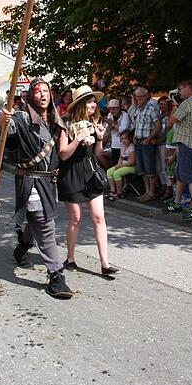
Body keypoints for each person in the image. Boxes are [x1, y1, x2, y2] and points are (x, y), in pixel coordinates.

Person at [0, 79, 74, 298]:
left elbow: (64, 153)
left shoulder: (57, 121)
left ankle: (21, 248)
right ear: (31, 96)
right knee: (44, 223)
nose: (43, 95)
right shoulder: (20, 118)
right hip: (30, 181)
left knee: (37, 220)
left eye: (46, 91)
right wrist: (3, 120)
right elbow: (2, 138)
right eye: (38, 91)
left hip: (50, 181)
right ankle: (56, 275)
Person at [56, 85, 120, 276]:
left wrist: (99, 138)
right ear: (81, 104)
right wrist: (78, 139)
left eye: (94, 101)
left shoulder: (94, 123)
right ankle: (70, 258)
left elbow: (98, 154)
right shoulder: (66, 124)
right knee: (75, 218)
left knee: (99, 218)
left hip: (91, 173)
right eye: (90, 101)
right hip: (71, 174)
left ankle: (105, 264)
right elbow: (63, 154)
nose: (94, 104)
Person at [164, 80, 192, 220]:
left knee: (189, 175)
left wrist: (175, 105)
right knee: (180, 173)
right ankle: (177, 203)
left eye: (180, 89)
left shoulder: (187, 104)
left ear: (188, 88)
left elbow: (170, 123)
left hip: (187, 144)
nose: (179, 92)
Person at [131, 86, 162, 201]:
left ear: (146, 96)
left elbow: (158, 126)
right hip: (138, 141)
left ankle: (152, 192)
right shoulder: (138, 109)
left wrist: (149, 139)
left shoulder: (151, 108)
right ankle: (147, 191)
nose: (138, 99)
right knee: (142, 168)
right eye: (136, 96)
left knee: (150, 168)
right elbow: (138, 125)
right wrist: (134, 136)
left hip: (147, 142)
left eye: (140, 96)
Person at [106, 131, 136, 200]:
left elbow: (132, 162)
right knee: (109, 171)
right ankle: (112, 191)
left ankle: (119, 192)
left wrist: (121, 166)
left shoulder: (131, 147)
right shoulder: (122, 146)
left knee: (117, 173)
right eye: (122, 139)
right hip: (123, 164)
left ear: (129, 139)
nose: (123, 140)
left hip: (131, 166)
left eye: (125, 138)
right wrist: (119, 164)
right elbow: (121, 157)